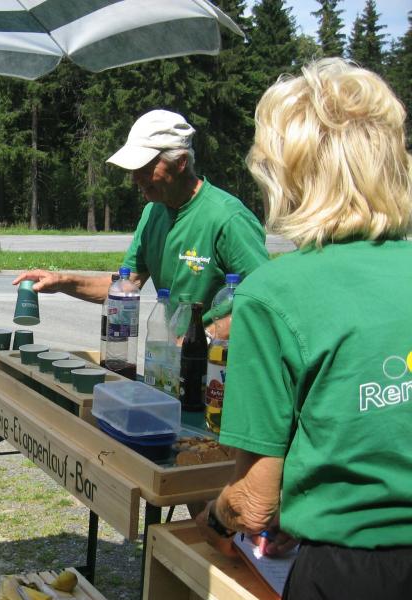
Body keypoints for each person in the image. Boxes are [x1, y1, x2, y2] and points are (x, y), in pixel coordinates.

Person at [195, 58, 412, 600]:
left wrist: (216, 517)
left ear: (288, 175)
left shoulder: (273, 294)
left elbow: (255, 504)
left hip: (356, 574)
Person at [13, 109, 268, 338]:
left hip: (222, 365)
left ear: (180, 162)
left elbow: (266, 302)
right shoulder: (152, 213)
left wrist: (204, 339)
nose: (135, 178)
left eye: (145, 168)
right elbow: (126, 285)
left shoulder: (228, 218)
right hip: (173, 359)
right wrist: (61, 281)